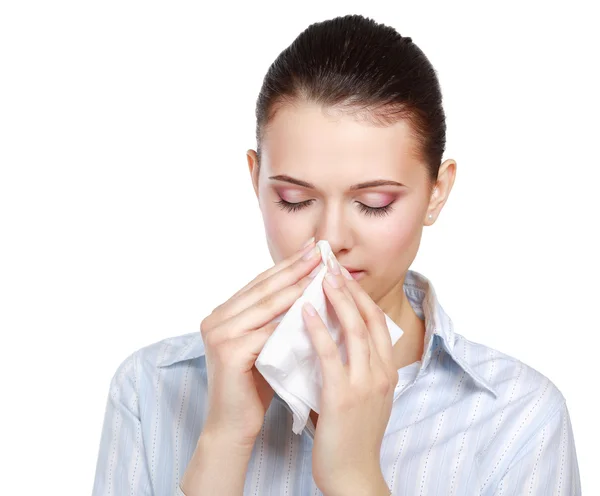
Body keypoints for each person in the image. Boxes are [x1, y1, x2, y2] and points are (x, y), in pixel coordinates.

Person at [92, 14, 581, 496]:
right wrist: (221, 443)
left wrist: (354, 479)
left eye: (374, 204)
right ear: (255, 180)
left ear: (437, 192)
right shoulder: (149, 390)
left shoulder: (518, 421)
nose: (329, 238)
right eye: (295, 200)